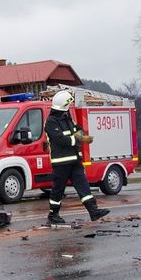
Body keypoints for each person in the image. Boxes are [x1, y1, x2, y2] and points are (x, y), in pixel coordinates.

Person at [45, 90, 110, 224]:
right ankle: (53, 215)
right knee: (58, 190)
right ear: (64, 105)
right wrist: (77, 139)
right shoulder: (51, 122)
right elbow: (60, 140)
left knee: (83, 186)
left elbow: (78, 129)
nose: (69, 107)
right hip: (61, 162)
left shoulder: (67, 118)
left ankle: (93, 211)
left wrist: (80, 135)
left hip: (74, 160)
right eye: (68, 104)